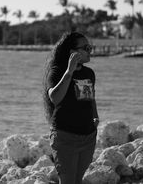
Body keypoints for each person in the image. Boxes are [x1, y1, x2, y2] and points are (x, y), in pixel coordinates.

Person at [42, 32, 99, 184]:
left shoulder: (89, 73)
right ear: (72, 52)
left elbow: (89, 97)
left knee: (77, 181)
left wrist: (95, 116)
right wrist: (69, 72)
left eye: (90, 47)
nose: (90, 51)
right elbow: (54, 98)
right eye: (86, 48)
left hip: (88, 136)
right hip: (65, 137)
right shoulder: (57, 71)